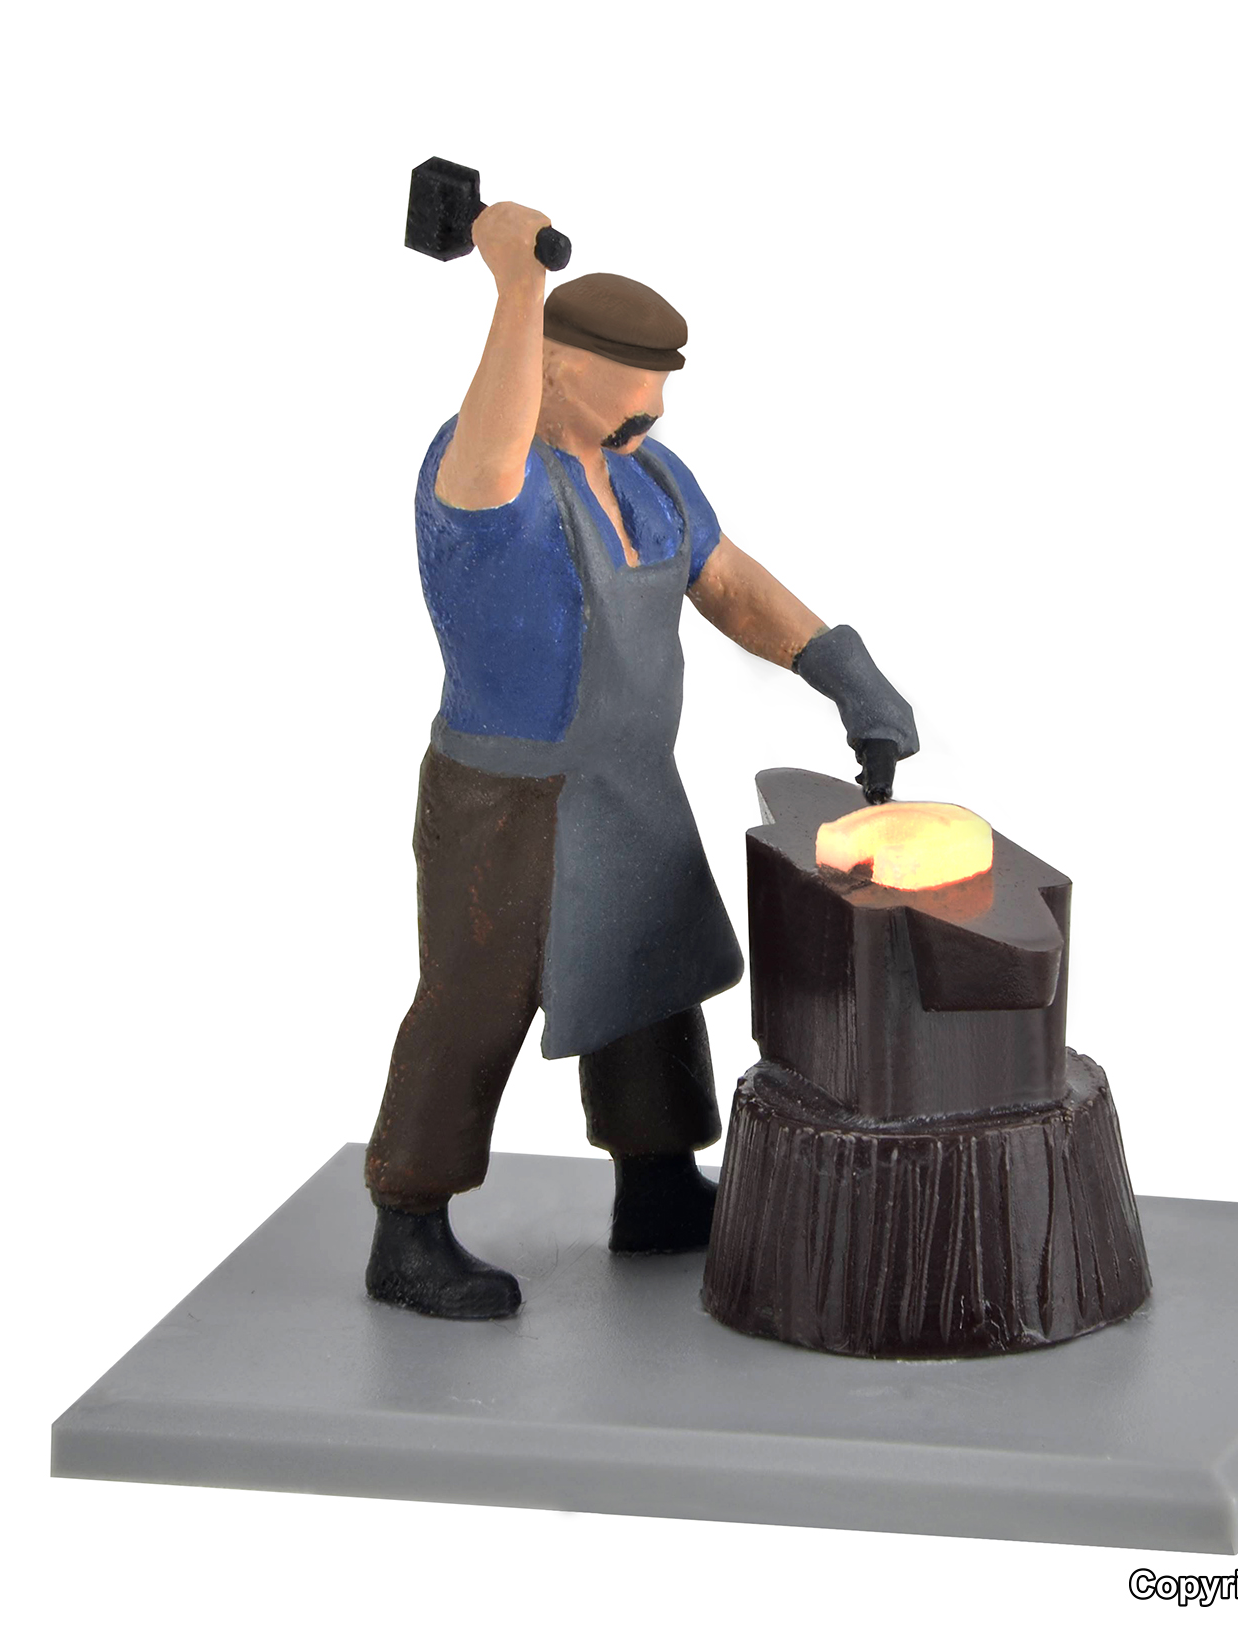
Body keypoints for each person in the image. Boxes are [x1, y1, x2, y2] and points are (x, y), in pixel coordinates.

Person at [364, 201, 920, 1319]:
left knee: (650, 973)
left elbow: (729, 582)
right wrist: (515, 285)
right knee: (476, 1000)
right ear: (553, 368)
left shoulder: (653, 478)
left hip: (631, 779)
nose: (651, 414)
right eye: (632, 392)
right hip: (508, 795)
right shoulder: (486, 478)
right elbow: (494, 438)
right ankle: (409, 1226)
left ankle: (657, 1183)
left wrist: (841, 669)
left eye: (661, 394)